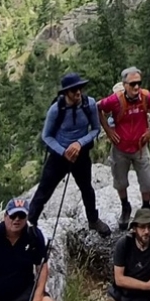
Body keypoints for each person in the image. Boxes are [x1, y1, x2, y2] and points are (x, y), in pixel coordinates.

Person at [27, 73, 111, 236]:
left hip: (81, 154)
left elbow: (95, 129)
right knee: (44, 190)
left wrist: (79, 143)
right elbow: (47, 136)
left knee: (87, 189)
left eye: (79, 88)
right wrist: (63, 151)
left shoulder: (90, 104)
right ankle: (30, 223)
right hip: (59, 156)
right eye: (73, 90)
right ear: (66, 92)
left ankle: (93, 220)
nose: (78, 93)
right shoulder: (56, 110)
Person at [98, 67, 150, 228]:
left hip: (140, 148)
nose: (136, 87)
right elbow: (98, 108)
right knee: (120, 182)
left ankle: (146, 209)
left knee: (147, 183)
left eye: (138, 83)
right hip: (120, 149)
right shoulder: (115, 100)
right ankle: (125, 207)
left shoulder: (145, 97)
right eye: (132, 84)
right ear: (125, 85)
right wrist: (109, 131)